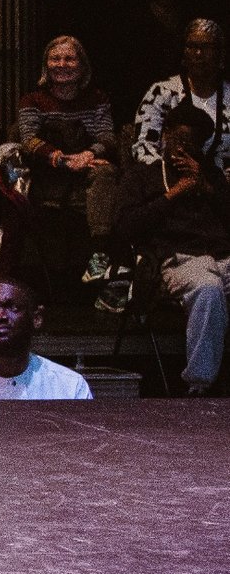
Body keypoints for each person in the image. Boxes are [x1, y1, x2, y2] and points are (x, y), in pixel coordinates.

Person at [114, 102, 230, 395]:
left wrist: (205, 187)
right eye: (178, 140)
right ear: (164, 135)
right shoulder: (143, 175)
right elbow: (126, 227)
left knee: (213, 278)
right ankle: (199, 386)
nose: (182, 149)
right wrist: (174, 194)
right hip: (178, 261)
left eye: (192, 144)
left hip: (223, 258)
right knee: (207, 287)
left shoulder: (212, 177)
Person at [11, 34, 122, 305]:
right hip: (48, 173)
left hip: (87, 168)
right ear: (46, 65)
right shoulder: (32, 100)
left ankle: (99, 253)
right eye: (55, 58)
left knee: (106, 172)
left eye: (70, 58)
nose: (62, 64)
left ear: (82, 66)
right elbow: (28, 139)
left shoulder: (97, 98)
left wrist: (87, 155)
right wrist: (62, 159)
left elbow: (107, 137)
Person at [131, 19, 223, 167]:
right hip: (169, 178)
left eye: (207, 47)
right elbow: (142, 147)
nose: (198, 53)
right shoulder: (162, 92)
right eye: (192, 46)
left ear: (220, 54)